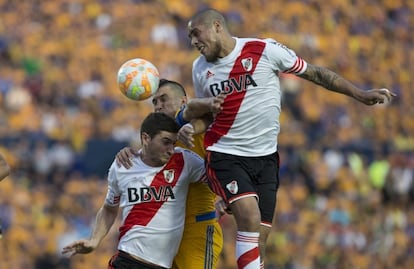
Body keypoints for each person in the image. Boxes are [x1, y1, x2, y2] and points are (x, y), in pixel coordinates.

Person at [184, 8, 397, 269]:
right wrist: (192, 128)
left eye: (196, 33)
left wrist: (359, 94)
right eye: (189, 36)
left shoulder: (264, 50)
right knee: (249, 217)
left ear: (217, 26)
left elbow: (316, 74)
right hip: (225, 154)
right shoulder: (199, 68)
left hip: (265, 159)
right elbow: (208, 115)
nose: (193, 41)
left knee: (259, 244)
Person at [62, 112, 208, 269]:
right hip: (128, 260)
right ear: (146, 138)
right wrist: (94, 241)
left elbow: (217, 179)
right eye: (165, 142)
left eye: (173, 143)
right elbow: (109, 209)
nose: (171, 149)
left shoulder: (185, 160)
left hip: (163, 265)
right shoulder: (122, 166)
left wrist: (225, 202)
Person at [115, 79, 224, 269]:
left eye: (163, 99)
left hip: (196, 227)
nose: (158, 106)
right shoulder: (161, 139)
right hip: (164, 236)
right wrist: (127, 152)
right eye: (154, 102)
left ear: (183, 101)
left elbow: (196, 110)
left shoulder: (196, 124)